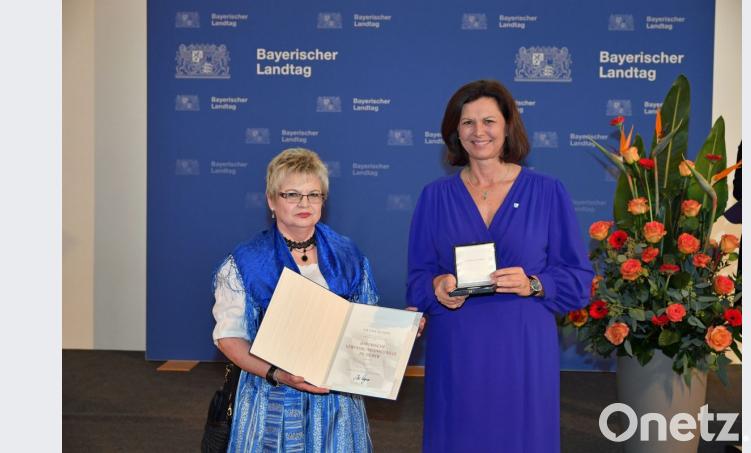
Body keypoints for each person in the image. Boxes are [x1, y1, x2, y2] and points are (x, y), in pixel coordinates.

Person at [406, 80, 594, 452]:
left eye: (489, 121)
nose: (479, 132)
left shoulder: (548, 191)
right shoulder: (434, 197)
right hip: (457, 349)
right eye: (467, 123)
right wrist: (437, 286)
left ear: (508, 126)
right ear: (454, 133)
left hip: (523, 347)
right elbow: (417, 279)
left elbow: (578, 279)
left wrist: (534, 284)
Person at [212, 148, 376, 452]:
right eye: (292, 195)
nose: (304, 203)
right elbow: (228, 337)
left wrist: (394, 334)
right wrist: (278, 374)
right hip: (271, 399)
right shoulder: (246, 261)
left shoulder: (349, 254)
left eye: (314, 195)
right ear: (272, 200)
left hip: (336, 401)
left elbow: (365, 323)